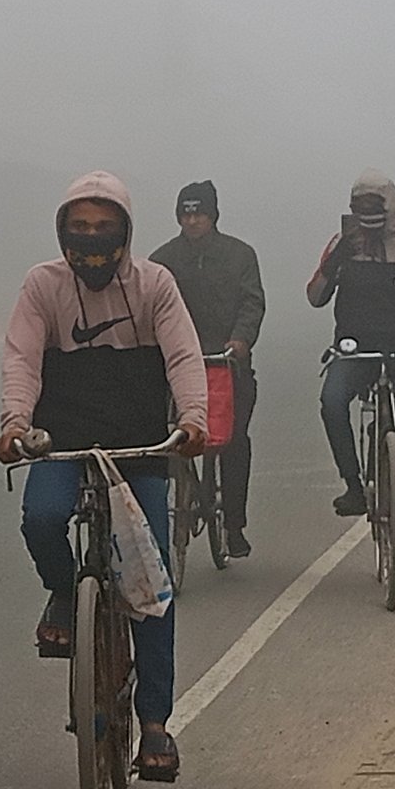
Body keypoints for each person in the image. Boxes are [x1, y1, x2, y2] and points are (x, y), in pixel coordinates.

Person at [0, 170, 207, 782]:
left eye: (102, 227)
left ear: (125, 232)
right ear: (62, 232)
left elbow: (183, 356)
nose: (90, 239)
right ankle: (64, 592)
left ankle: (156, 724)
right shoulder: (43, 287)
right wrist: (14, 424)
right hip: (62, 442)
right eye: (79, 227)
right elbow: (21, 358)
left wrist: (193, 420)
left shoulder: (154, 286)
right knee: (41, 518)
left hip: (140, 449)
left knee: (151, 583)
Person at [306, 169, 395, 549]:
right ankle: (353, 485)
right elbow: (315, 297)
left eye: (374, 205)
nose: (367, 213)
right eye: (360, 206)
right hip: (354, 349)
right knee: (332, 403)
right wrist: (336, 262)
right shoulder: (342, 243)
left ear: (390, 205)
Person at [150, 180, 266, 558]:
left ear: (213, 215)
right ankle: (169, 507)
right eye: (186, 213)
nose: (192, 220)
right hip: (175, 365)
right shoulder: (162, 260)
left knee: (234, 440)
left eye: (199, 213)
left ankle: (234, 524)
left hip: (226, 363)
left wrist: (241, 341)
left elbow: (252, 303)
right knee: (158, 438)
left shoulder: (239, 255)